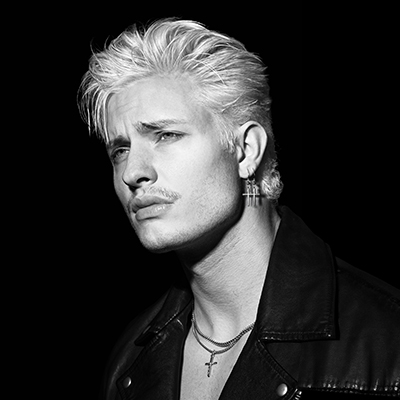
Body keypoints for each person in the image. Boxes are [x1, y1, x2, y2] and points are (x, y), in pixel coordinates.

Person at [78, 19, 400, 400]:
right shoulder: (130, 362)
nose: (132, 173)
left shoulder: (386, 341)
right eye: (120, 150)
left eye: (165, 135)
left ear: (246, 151)